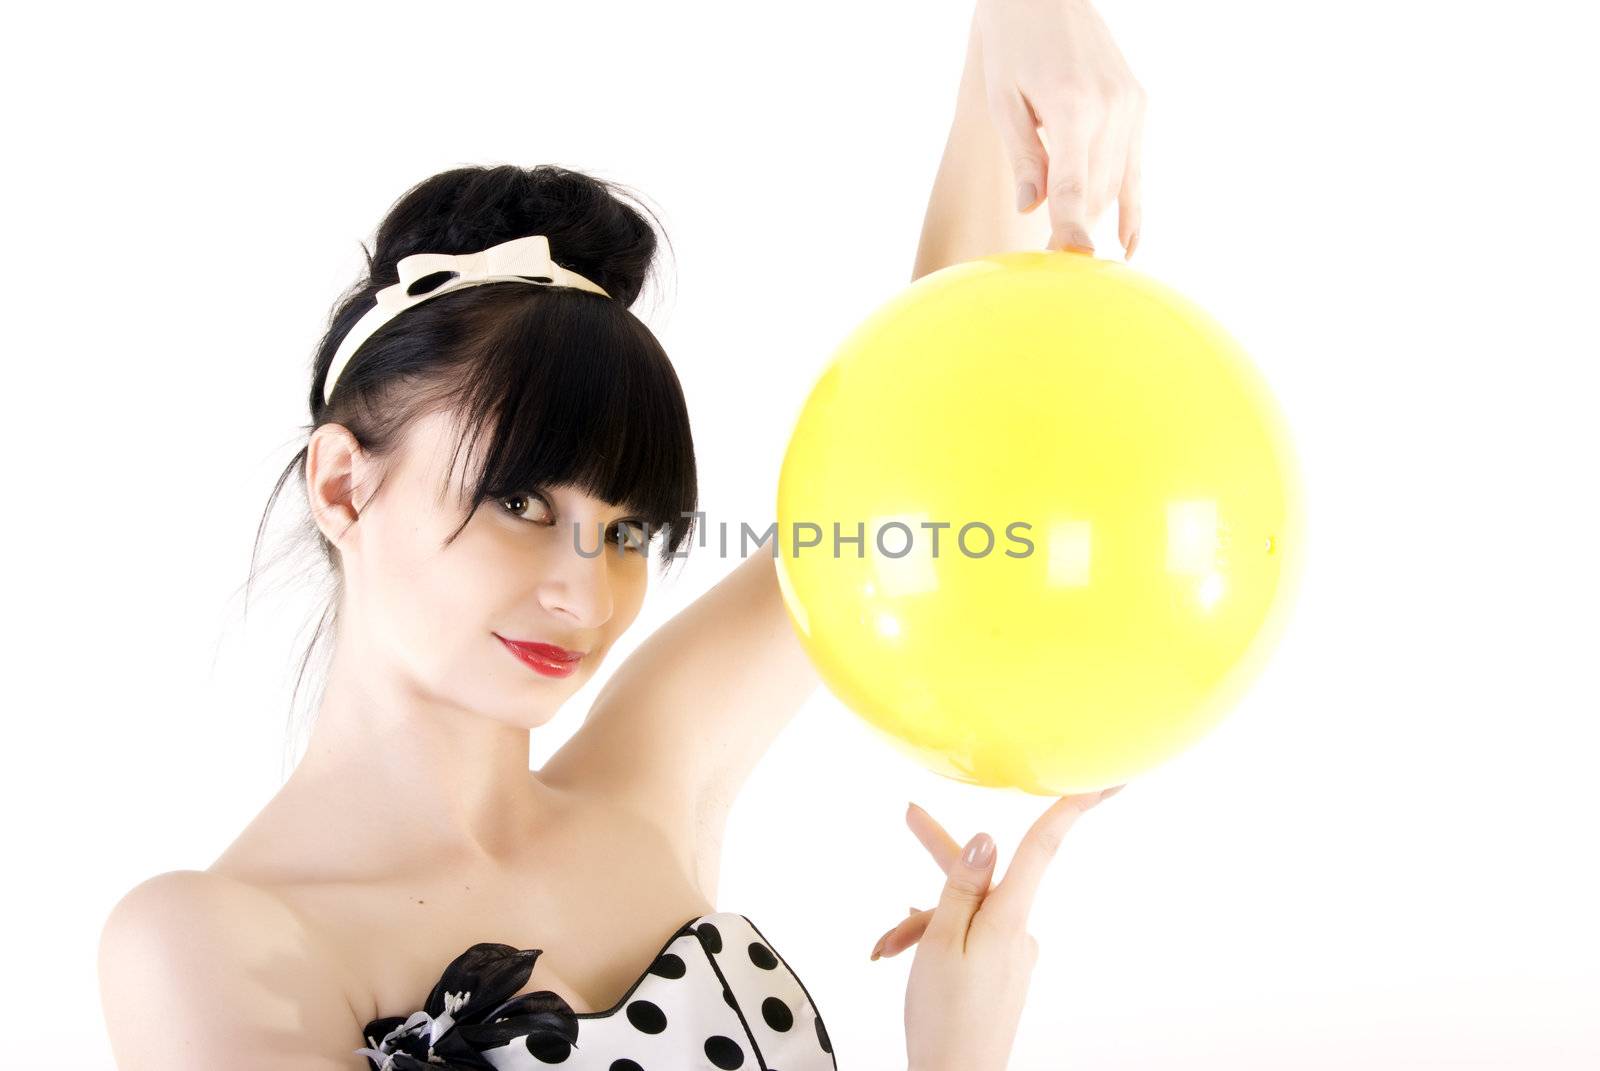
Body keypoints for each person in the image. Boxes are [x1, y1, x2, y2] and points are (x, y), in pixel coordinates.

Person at [96, 2, 1145, 1067]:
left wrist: (1021, 18)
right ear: (341, 486)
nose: (586, 594)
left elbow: (917, 425)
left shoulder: (650, 785)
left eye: (631, 529)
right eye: (519, 503)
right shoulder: (207, 946)